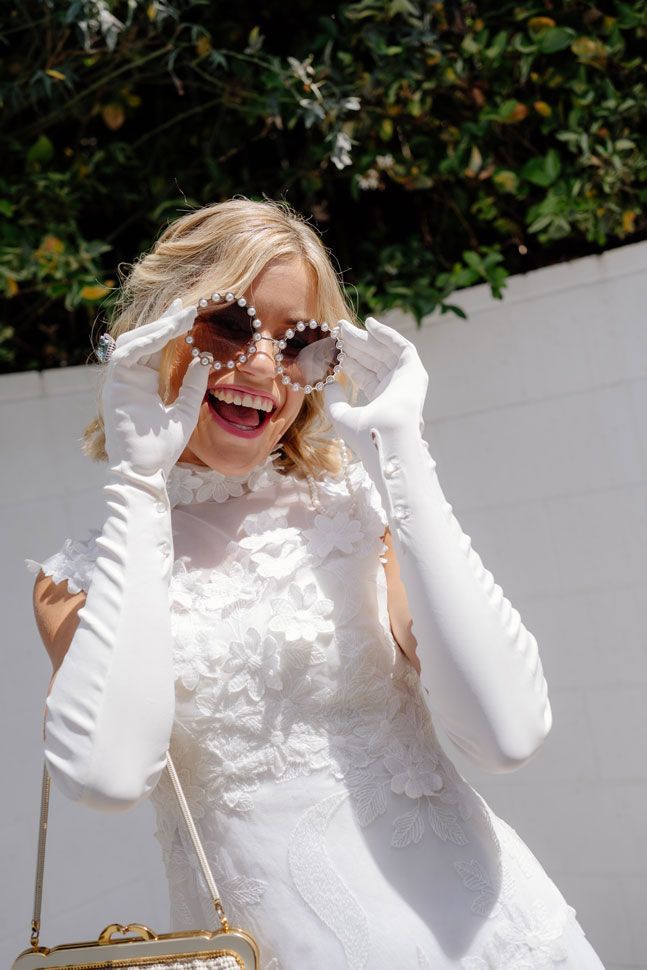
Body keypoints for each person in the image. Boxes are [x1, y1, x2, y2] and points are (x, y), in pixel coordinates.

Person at [27, 199, 606, 969]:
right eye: (227, 327)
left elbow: (506, 734)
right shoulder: (80, 579)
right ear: (160, 337)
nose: (264, 367)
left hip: (499, 944)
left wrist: (401, 454)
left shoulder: (363, 518)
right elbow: (107, 777)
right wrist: (138, 481)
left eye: (299, 341)